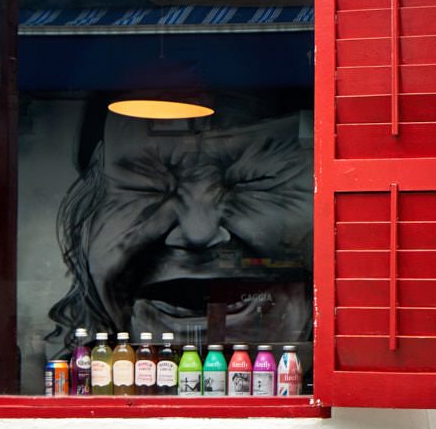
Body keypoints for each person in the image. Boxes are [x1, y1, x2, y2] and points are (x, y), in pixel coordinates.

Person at [47, 96, 313, 353]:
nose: (198, 232)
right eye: (146, 186)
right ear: (86, 216)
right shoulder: (74, 375)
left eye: (253, 180)